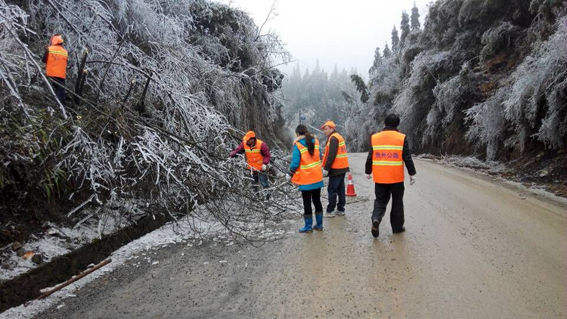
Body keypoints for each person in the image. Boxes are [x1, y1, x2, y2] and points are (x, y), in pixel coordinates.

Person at [365, 114, 416, 238]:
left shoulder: (375, 137)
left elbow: (371, 156)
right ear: (397, 124)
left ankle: (376, 219)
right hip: (396, 178)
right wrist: (412, 173)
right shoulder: (401, 137)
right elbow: (407, 157)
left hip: (380, 177)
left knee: (380, 200)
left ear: (385, 123)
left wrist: (368, 171)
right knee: (397, 202)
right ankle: (397, 228)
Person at [286, 125, 324, 233]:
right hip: (317, 177)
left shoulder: (298, 145)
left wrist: (290, 173)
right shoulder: (316, 142)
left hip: (306, 179)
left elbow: (295, 163)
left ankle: (308, 227)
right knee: (317, 201)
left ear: (297, 134)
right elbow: (320, 156)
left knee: (307, 203)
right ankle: (319, 225)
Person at [229, 131, 272, 199]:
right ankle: (256, 198)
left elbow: (267, 155)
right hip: (251, 168)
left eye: (248, 140)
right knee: (254, 184)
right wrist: (232, 154)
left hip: (261, 168)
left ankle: (267, 198)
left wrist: (265, 164)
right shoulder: (244, 143)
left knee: (264, 183)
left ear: (252, 139)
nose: (246, 141)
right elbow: (238, 150)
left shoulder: (261, 144)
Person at [321, 120, 350, 218]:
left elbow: (331, 155)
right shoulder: (338, 137)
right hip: (342, 167)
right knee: (340, 189)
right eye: (324, 129)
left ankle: (330, 210)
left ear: (332, 128)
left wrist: (326, 168)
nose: (324, 131)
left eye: (326, 129)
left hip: (336, 168)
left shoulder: (333, 138)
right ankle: (341, 209)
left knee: (332, 189)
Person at [43, 34, 68, 104]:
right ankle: (60, 103)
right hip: (61, 75)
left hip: (51, 73)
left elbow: (44, 60)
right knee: (60, 90)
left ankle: (55, 103)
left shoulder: (50, 49)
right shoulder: (65, 52)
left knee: (52, 88)